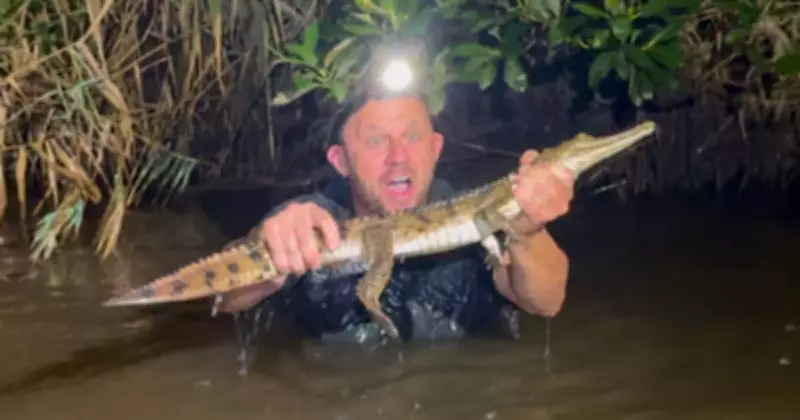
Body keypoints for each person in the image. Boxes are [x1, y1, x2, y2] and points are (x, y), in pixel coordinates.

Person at [216, 91, 576, 344]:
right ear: (341, 161)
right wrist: (268, 248)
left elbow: (546, 302)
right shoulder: (311, 221)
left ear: (435, 148)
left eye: (412, 136)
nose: (398, 157)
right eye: (376, 141)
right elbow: (224, 299)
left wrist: (528, 227)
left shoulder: (474, 212)